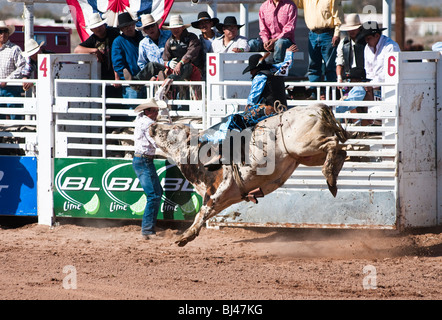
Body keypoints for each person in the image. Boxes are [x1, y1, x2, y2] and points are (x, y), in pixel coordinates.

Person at [202, 45, 298, 170]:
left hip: (269, 110)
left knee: (234, 120)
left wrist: (248, 108)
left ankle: (222, 154)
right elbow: (287, 64)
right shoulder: (277, 69)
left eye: (251, 70)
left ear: (255, 69)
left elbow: (253, 98)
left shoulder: (260, 77)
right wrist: (289, 53)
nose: (251, 73)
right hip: (282, 108)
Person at [293, 0, 344, 99]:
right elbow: (296, 3)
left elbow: (338, 16)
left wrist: (336, 33)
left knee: (330, 66)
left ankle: (331, 94)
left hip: (328, 33)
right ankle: (315, 93)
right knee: (313, 66)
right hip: (313, 34)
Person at [132, 98, 167, 239]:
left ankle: (149, 227)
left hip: (140, 159)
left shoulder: (140, 118)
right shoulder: (148, 124)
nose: (157, 114)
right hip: (145, 160)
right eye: (155, 111)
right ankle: (147, 230)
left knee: (156, 192)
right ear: (148, 111)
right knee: (154, 195)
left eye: (157, 111)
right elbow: (155, 142)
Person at [74, 13, 120, 82]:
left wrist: (117, 77)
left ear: (104, 25)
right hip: (101, 75)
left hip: (116, 75)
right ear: (92, 30)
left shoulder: (113, 34)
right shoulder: (93, 39)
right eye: (95, 28)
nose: (98, 29)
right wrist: (95, 50)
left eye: (100, 26)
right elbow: (77, 50)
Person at [248, 0, 297, 65]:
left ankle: (277, 68)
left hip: (285, 41)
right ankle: (254, 68)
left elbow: (289, 28)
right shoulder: (264, 6)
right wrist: (266, 41)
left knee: (280, 43)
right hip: (268, 42)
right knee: (252, 43)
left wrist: (274, 40)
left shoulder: (290, 5)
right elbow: (263, 29)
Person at [111, 12, 145, 99]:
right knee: (133, 108)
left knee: (150, 108)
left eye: (130, 25)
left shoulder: (143, 38)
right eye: (125, 27)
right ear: (121, 29)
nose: (128, 28)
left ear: (134, 25)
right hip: (131, 84)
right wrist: (128, 79)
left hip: (146, 80)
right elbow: (118, 64)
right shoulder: (118, 42)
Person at [162, 14, 202, 82]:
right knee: (153, 66)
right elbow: (165, 59)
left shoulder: (192, 38)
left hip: (192, 70)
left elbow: (190, 53)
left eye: (178, 27)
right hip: (175, 70)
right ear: (170, 29)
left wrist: (180, 63)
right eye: (173, 28)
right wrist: (169, 64)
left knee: (186, 67)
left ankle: (168, 81)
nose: (175, 30)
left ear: (182, 27)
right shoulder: (169, 42)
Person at [134, 14, 171, 83]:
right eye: (147, 27)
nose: (150, 29)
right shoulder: (143, 43)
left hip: (170, 69)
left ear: (157, 25)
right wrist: (149, 77)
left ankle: (135, 82)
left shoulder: (169, 35)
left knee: (152, 65)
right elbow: (142, 63)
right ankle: (136, 82)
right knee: (151, 65)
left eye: (152, 26)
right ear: (144, 30)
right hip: (155, 77)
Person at [0, 21, 26, 120]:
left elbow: (22, 66)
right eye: (0, 31)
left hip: (11, 87)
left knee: (14, 113)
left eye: (5, 31)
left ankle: (16, 134)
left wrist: (8, 80)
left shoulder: (14, 49)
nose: (3, 34)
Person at [336, 13, 366, 83]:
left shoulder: (366, 41)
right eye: (349, 29)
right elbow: (339, 62)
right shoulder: (343, 43)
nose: (351, 31)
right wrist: (339, 77)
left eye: (354, 29)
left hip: (363, 77)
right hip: (349, 78)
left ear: (359, 28)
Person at [191, 11, 221, 80]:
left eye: (206, 22)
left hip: (221, 72)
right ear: (199, 26)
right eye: (201, 23)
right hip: (205, 76)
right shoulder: (197, 43)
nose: (204, 25)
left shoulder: (221, 38)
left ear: (211, 23)